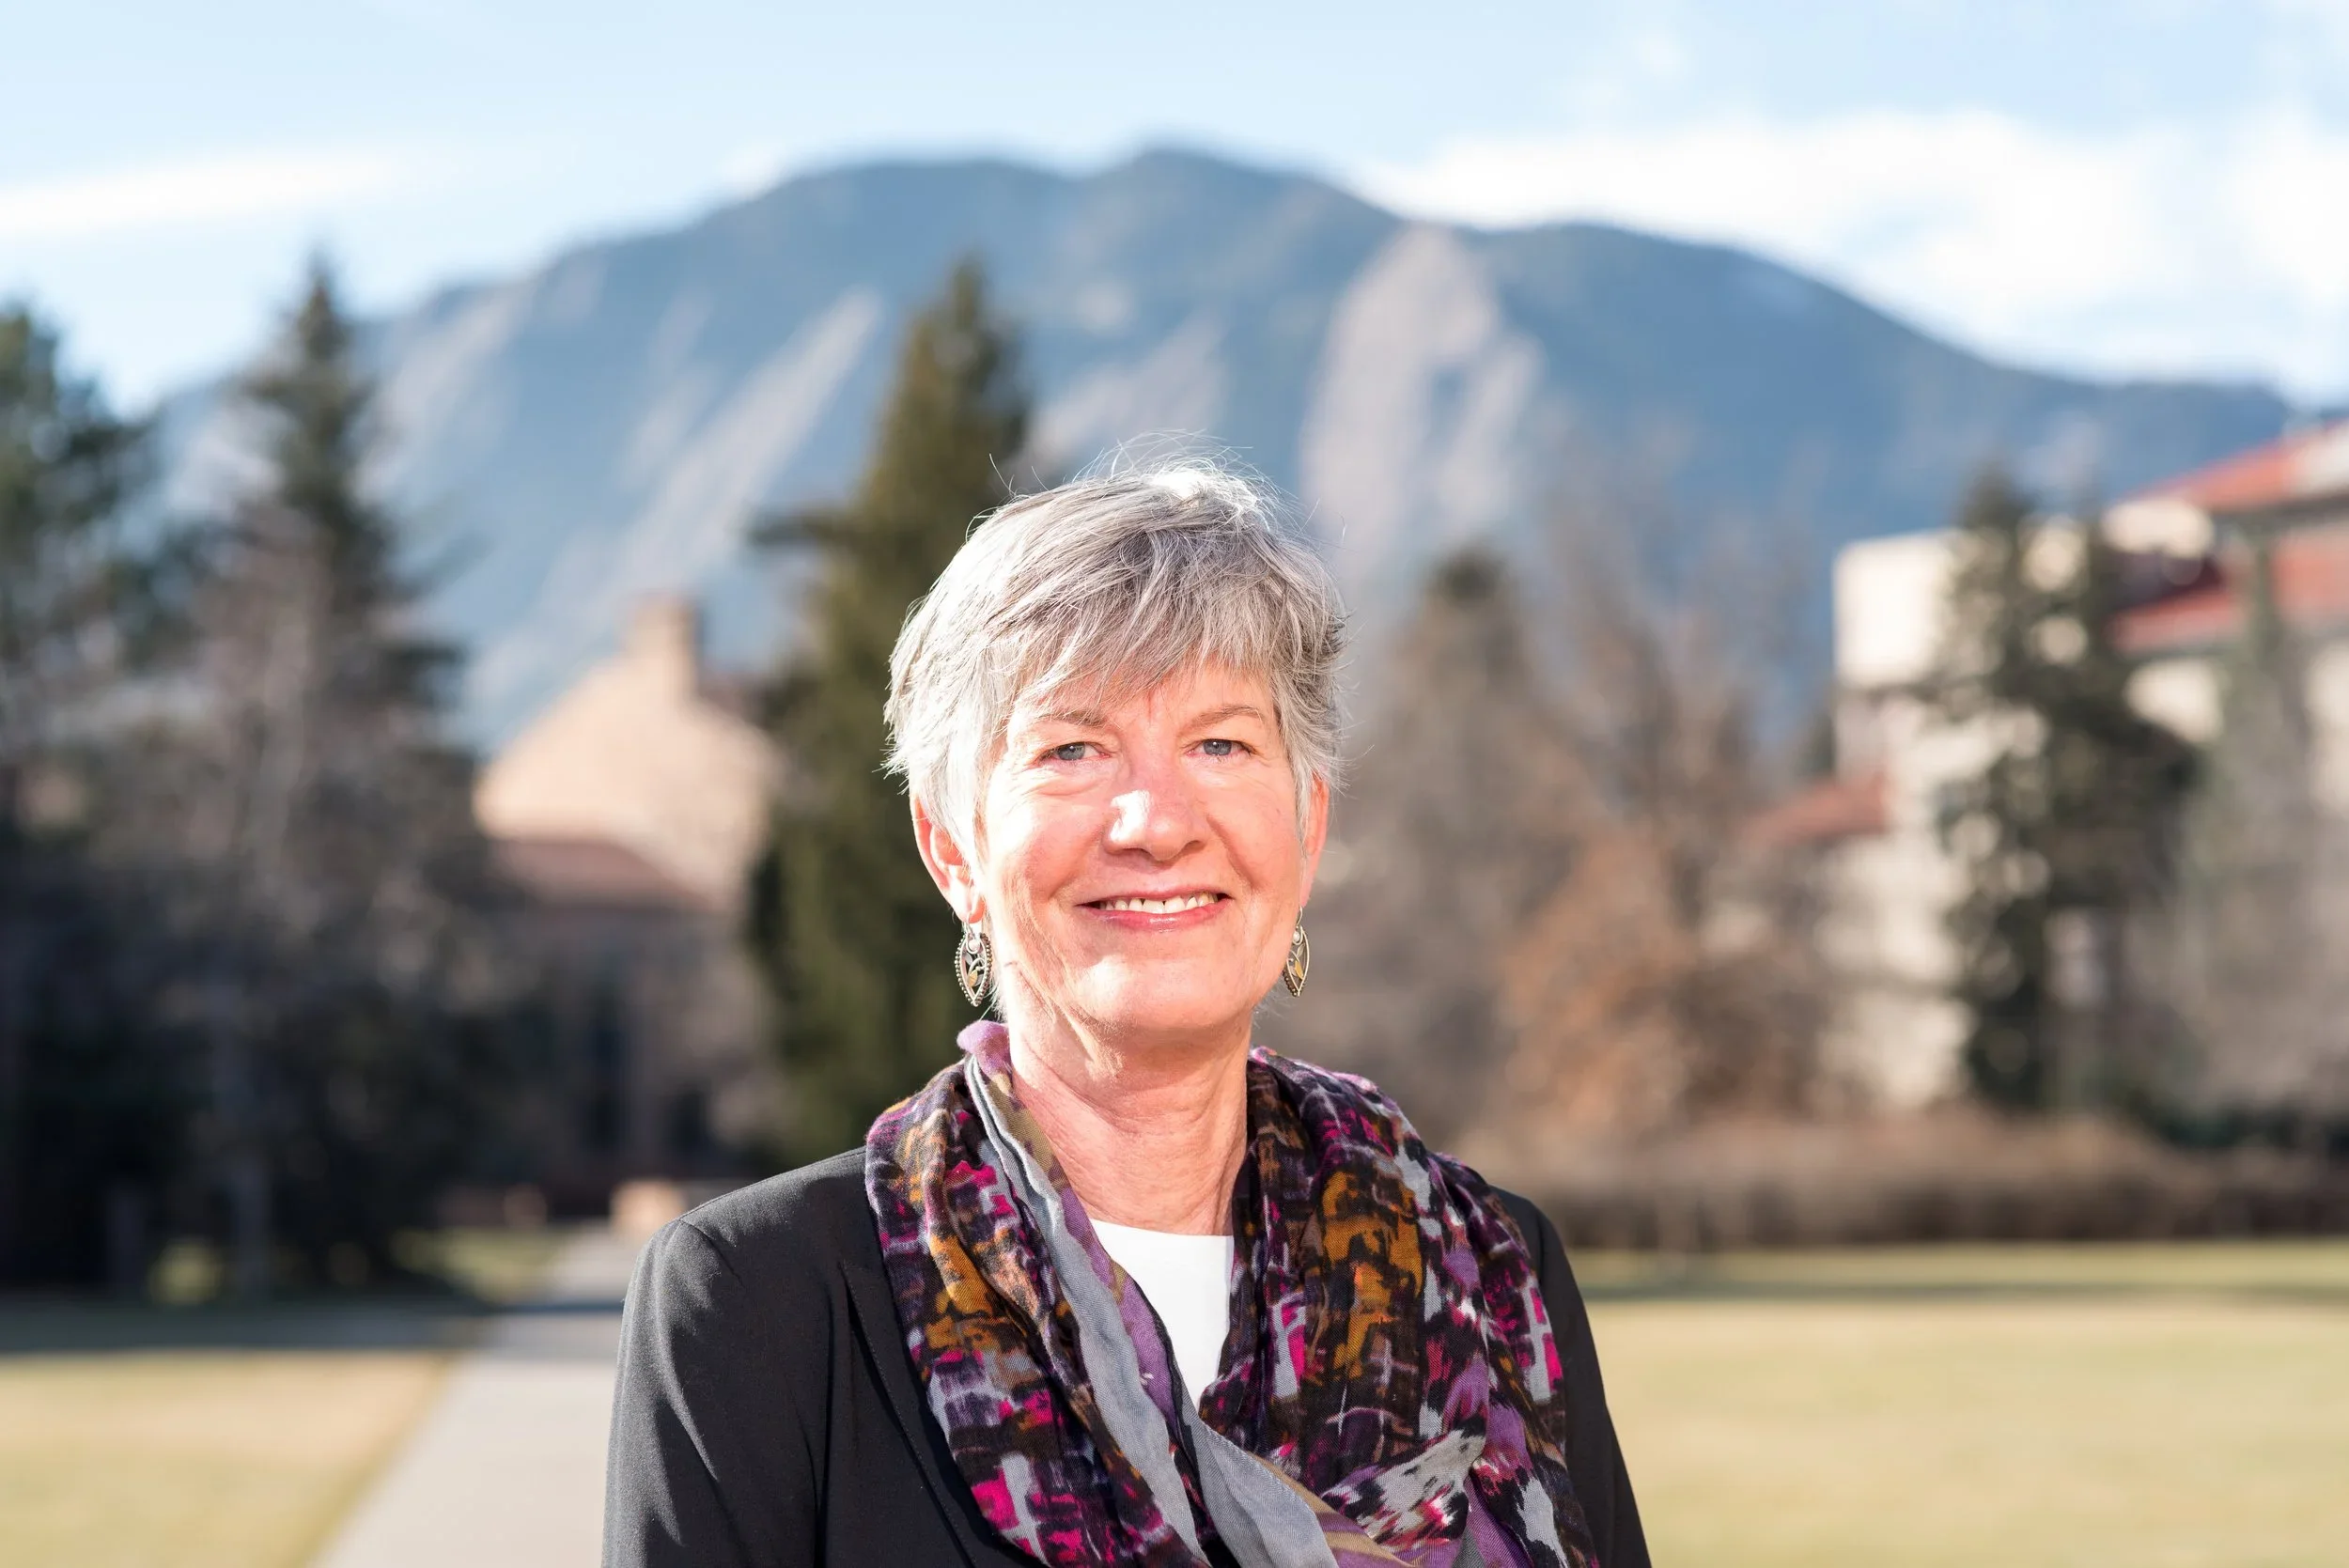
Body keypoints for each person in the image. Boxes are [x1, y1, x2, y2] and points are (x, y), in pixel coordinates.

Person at [603, 465, 1648, 1568]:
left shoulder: (1486, 1266)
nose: (1154, 821)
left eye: (1220, 744)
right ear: (951, 848)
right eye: (1072, 749)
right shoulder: (760, 1306)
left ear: (1308, 828)